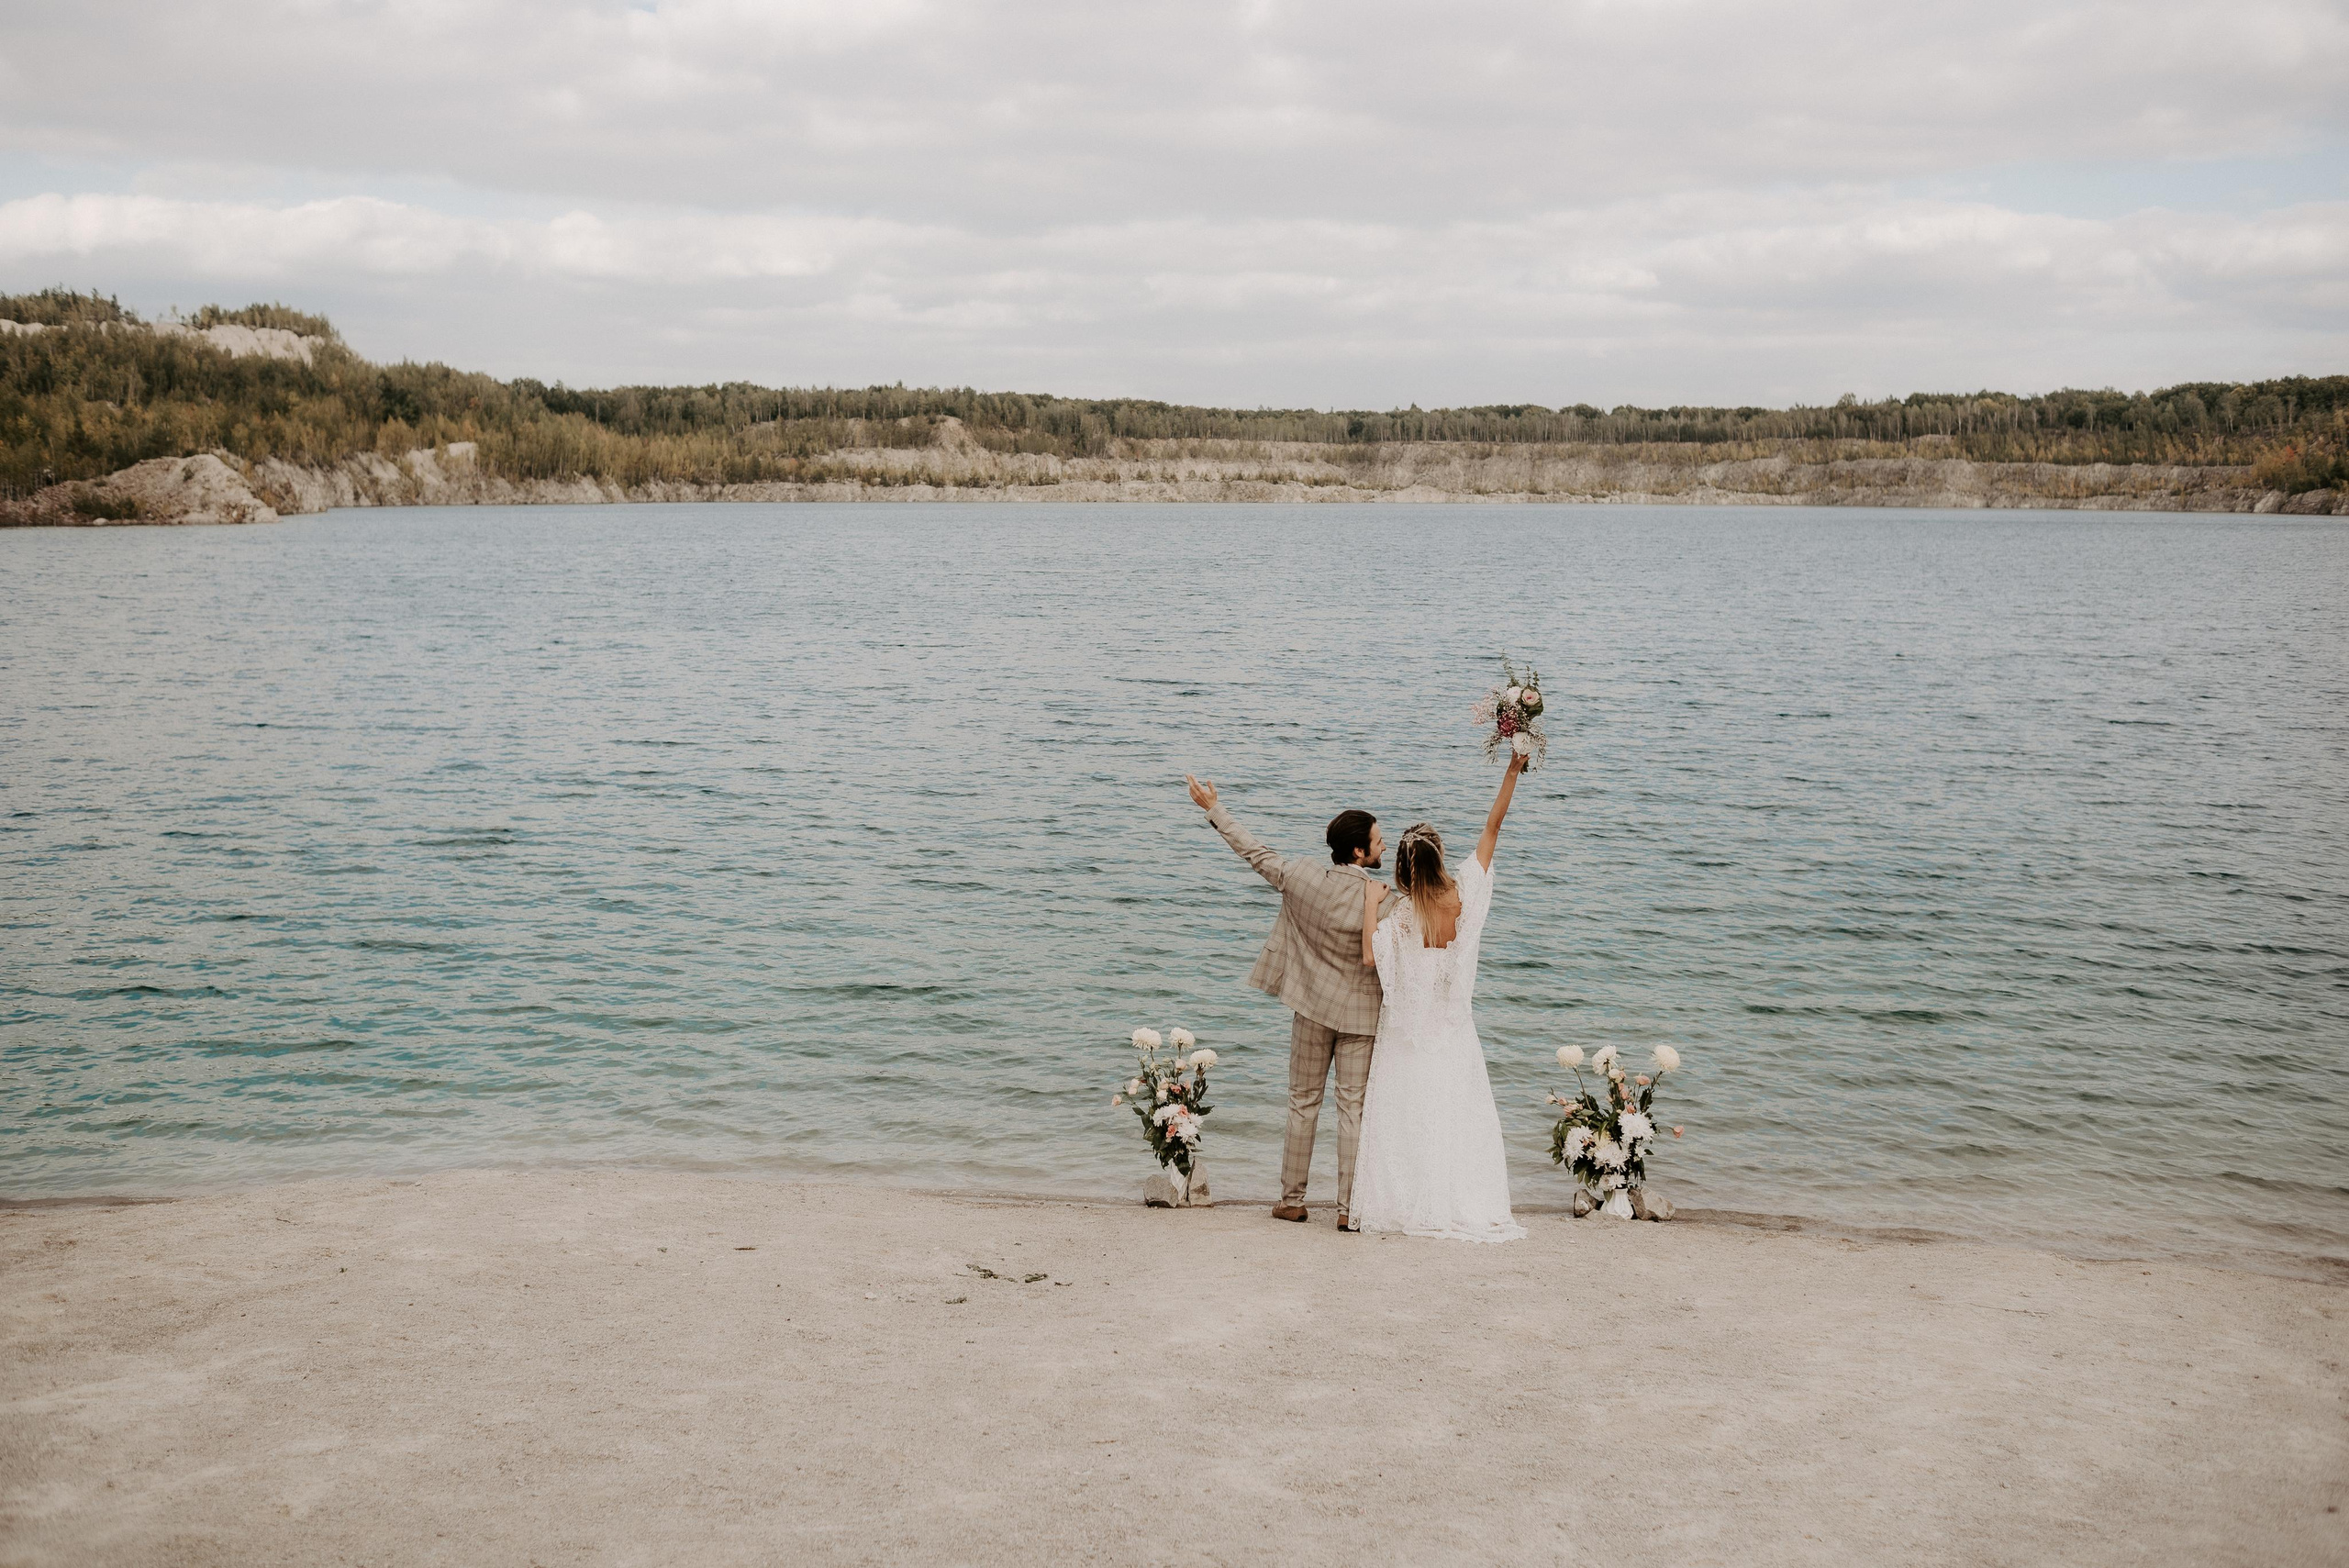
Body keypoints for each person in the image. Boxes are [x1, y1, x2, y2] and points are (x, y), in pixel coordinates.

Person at [1186, 774, 1397, 1228]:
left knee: (1302, 1102)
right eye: (1379, 842)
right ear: (1358, 852)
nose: (1385, 848)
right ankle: (1348, 1210)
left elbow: (1253, 852)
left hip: (1312, 1007)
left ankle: (1292, 1200)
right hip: (1362, 1016)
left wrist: (1214, 809)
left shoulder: (1302, 876)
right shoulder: (1383, 898)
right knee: (1352, 1109)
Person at [1346, 752, 1530, 1241]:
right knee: (1456, 1115)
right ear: (1441, 858)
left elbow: (1370, 958)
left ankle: (1411, 1202)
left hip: (1410, 1033)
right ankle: (1459, 1200)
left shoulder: (1403, 916)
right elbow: (1492, 829)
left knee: (1408, 1118)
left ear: (1405, 867)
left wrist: (1369, 903)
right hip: (1452, 1029)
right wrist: (1512, 769)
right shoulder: (1464, 897)